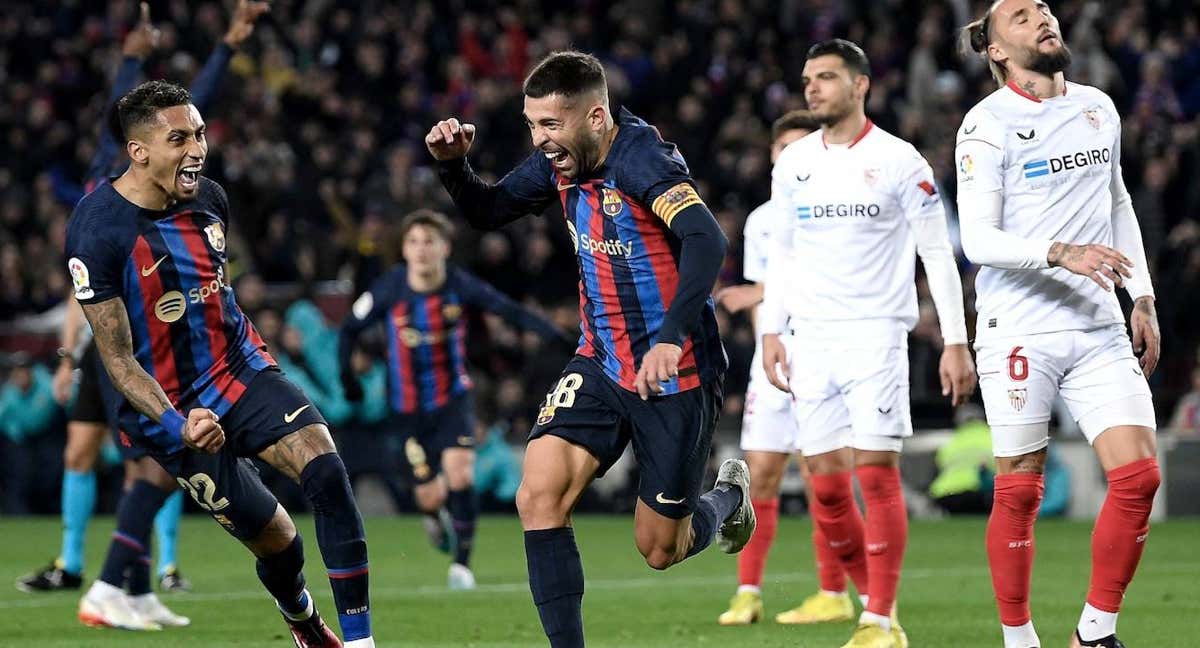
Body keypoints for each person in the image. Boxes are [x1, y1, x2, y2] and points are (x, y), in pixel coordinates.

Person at [426, 51, 753, 648]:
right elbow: (490, 210)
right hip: (602, 359)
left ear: (597, 116)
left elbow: (707, 238)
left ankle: (727, 497)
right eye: (532, 125)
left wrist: (670, 338)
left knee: (660, 548)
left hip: (673, 372)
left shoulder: (642, 160)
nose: (540, 139)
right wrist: (454, 168)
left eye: (551, 125)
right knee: (539, 494)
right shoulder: (561, 163)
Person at [64, 80, 372, 647]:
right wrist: (178, 422)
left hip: (240, 369)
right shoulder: (97, 229)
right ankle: (301, 618)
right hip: (177, 413)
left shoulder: (211, 199)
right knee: (280, 542)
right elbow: (119, 359)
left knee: (326, 470)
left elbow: (215, 293)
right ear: (139, 151)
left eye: (200, 133)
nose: (197, 148)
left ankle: (359, 642)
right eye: (178, 137)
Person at [17, 0, 269, 598]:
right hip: (101, 337)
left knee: (156, 458)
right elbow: (84, 283)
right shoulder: (101, 200)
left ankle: (151, 576)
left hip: (151, 342)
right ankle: (79, 567)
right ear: (134, 148)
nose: (178, 146)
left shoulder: (162, 175)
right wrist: (68, 351)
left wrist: (228, 47)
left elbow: (179, 110)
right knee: (84, 451)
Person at [760, 39, 976, 648]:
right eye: (808, 78)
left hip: (876, 337)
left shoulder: (901, 161)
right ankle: (866, 597)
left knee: (874, 474)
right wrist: (773, 328)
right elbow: (784, 251)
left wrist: (956, 341)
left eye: (826, 77)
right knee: (825, 486)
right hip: (810, 338)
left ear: (860, 86)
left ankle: (881, 617)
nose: (813, 88)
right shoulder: (793, 162)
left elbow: (938, 252)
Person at [959, 2, 1161, 646]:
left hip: (1099, 321)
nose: (1041, 18)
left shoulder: (1098, 106)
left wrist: (1143, 296)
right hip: (1019, 324)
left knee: (1140, 477)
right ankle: (1019, 639)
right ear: (996, 50)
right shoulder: (985, 125)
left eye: (1043, 8)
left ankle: (1093, 634)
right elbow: (977, 238)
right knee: (1019, 486)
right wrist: (1060, 251)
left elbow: (1117, 199)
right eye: (1019, 17)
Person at [338, 208, 572, 590]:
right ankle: (433, 516)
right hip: (406, 408)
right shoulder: (390, 287)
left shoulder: (460, 285)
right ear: (405, 249)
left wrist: (560, 337)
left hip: (453, 399)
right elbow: (349, 329)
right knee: (430, 495)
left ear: (444, 247)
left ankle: (462, 565)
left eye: (429, 241)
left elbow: (508, 309)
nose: (421, 250)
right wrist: (349, 381)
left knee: (461, 474)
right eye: (414, 242)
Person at [713, 109, 853, 627]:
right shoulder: (761, 221)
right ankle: (747, 593)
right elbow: (756, 305)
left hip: (823, 354)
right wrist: (764, 343)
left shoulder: (836, 211)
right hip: (772, 362)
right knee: (759, 474)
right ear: (773, 157)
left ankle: (833, 592)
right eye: (784, 149)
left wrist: (760, 292)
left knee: (824, 477)